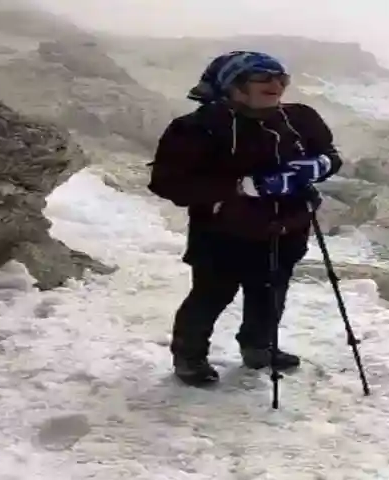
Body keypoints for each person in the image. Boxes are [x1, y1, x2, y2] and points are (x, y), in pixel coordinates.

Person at [146, 51, 343, 386]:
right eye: (263, 77)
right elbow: (168, 183)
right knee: (211, 294)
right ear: (233, 85)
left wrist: (318, 166)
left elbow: (330, 155)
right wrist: (242, 187)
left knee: (271, 291)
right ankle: (189, 357)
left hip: (287, 226)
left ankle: (259, 347)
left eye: (281, 78)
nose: (276, 84)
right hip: (223, 231)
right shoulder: (197, 128)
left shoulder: (301, 119)